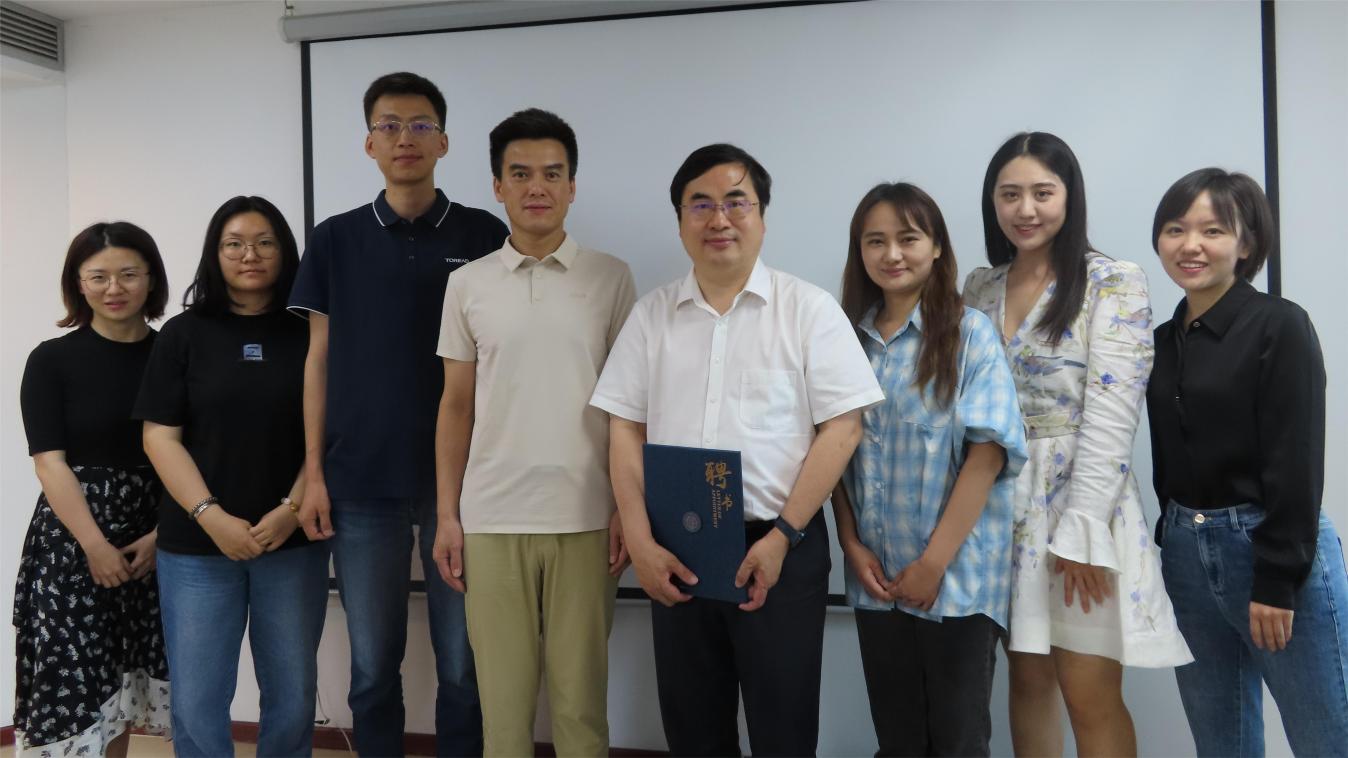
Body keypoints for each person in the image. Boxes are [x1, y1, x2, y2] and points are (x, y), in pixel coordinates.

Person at [591, 143, 884, 756]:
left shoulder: (809, 310)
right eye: (700, 205)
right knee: (693, 729)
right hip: (677, 547)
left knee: (784, 731)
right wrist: (640, 540)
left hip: (781, 545)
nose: (718, 219)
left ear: (762, 217)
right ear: (680, 221)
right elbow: (624, 430)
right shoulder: (651, 316)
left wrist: (782, 536)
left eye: (735, 202)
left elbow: (843, 430)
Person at [288, 71, 508, 757]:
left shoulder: (484, 233)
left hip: (464, 484)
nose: (403, 138)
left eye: (419, 125)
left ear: (443, 141)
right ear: (369, 143)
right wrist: (314, 473)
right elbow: (317, 360)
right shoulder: (335, 238)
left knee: (465, 665)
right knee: (373, 667)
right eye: (388, 125)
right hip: (360, 483)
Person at [962, 131, 1191, 757]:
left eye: (1042, 193)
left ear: (1070, 197)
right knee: (1026, 682)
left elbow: (1114, 415)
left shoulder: (1112, 281)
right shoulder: (980, 288)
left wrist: (1084, 529)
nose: (1025, 209)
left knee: (1088, 692)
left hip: (1081, 501)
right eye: (1009, 194)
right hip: (998, 503)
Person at [432, 107, 636, 757]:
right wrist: (447, 516)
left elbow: (630, 409)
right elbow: (455, 406)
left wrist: (629, 508)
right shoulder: (466, 284)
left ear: (573, 185)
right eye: (520, 174)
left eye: (552, 173)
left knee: (581, 709)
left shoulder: (612, 277)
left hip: (588, 517)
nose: (537, 187)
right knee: (504, 713)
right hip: (491, 518)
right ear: (498, 186)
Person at [1146, 168, 1348, 757]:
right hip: (1185, 553)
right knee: (1221, 744)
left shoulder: (1279, 325)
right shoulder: (1161, 340)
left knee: (1325, 738)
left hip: (1269, 548)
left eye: (1212, 230)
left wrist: (1277, 579)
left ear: (1246, 243)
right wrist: (1169, 536)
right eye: (1175, 229)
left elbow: (1297, 458)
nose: (1190, 245)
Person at [834, 183, 1028, 757]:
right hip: (876, 578)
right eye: (875, 241)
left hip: (957, 580)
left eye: (908, 238)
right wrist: (850, 544)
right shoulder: (845, 341)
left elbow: (987, 456)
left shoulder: (970, 333)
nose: (892, 254)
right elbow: (830, 453)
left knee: (957, 742)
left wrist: (932, 564)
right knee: (897, 741)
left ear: (937, 246)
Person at [134, 196, 324, 757]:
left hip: (290, 543)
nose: (250, 255)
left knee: (293, 692)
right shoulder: (183, 333)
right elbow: (159, 437)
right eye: (234, 243)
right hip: (197, 548)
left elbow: (329, 432)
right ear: (214, 254)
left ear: (285, 251)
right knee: (197, 699)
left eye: (264, 242)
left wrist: (291, 511)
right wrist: (211, 517)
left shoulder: (311, 329)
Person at [13, 222, 171, 758]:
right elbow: (49, 463)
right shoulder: (51, 359)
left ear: (151, 279)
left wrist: (160, 536)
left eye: (129, 274)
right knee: (74, 682)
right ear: (78, 284)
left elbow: (196, 455)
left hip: (156, 536)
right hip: (72, 541)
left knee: (122, 685)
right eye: (98, 276)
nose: (114, 288)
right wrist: (95, 545)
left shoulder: (173, 354)